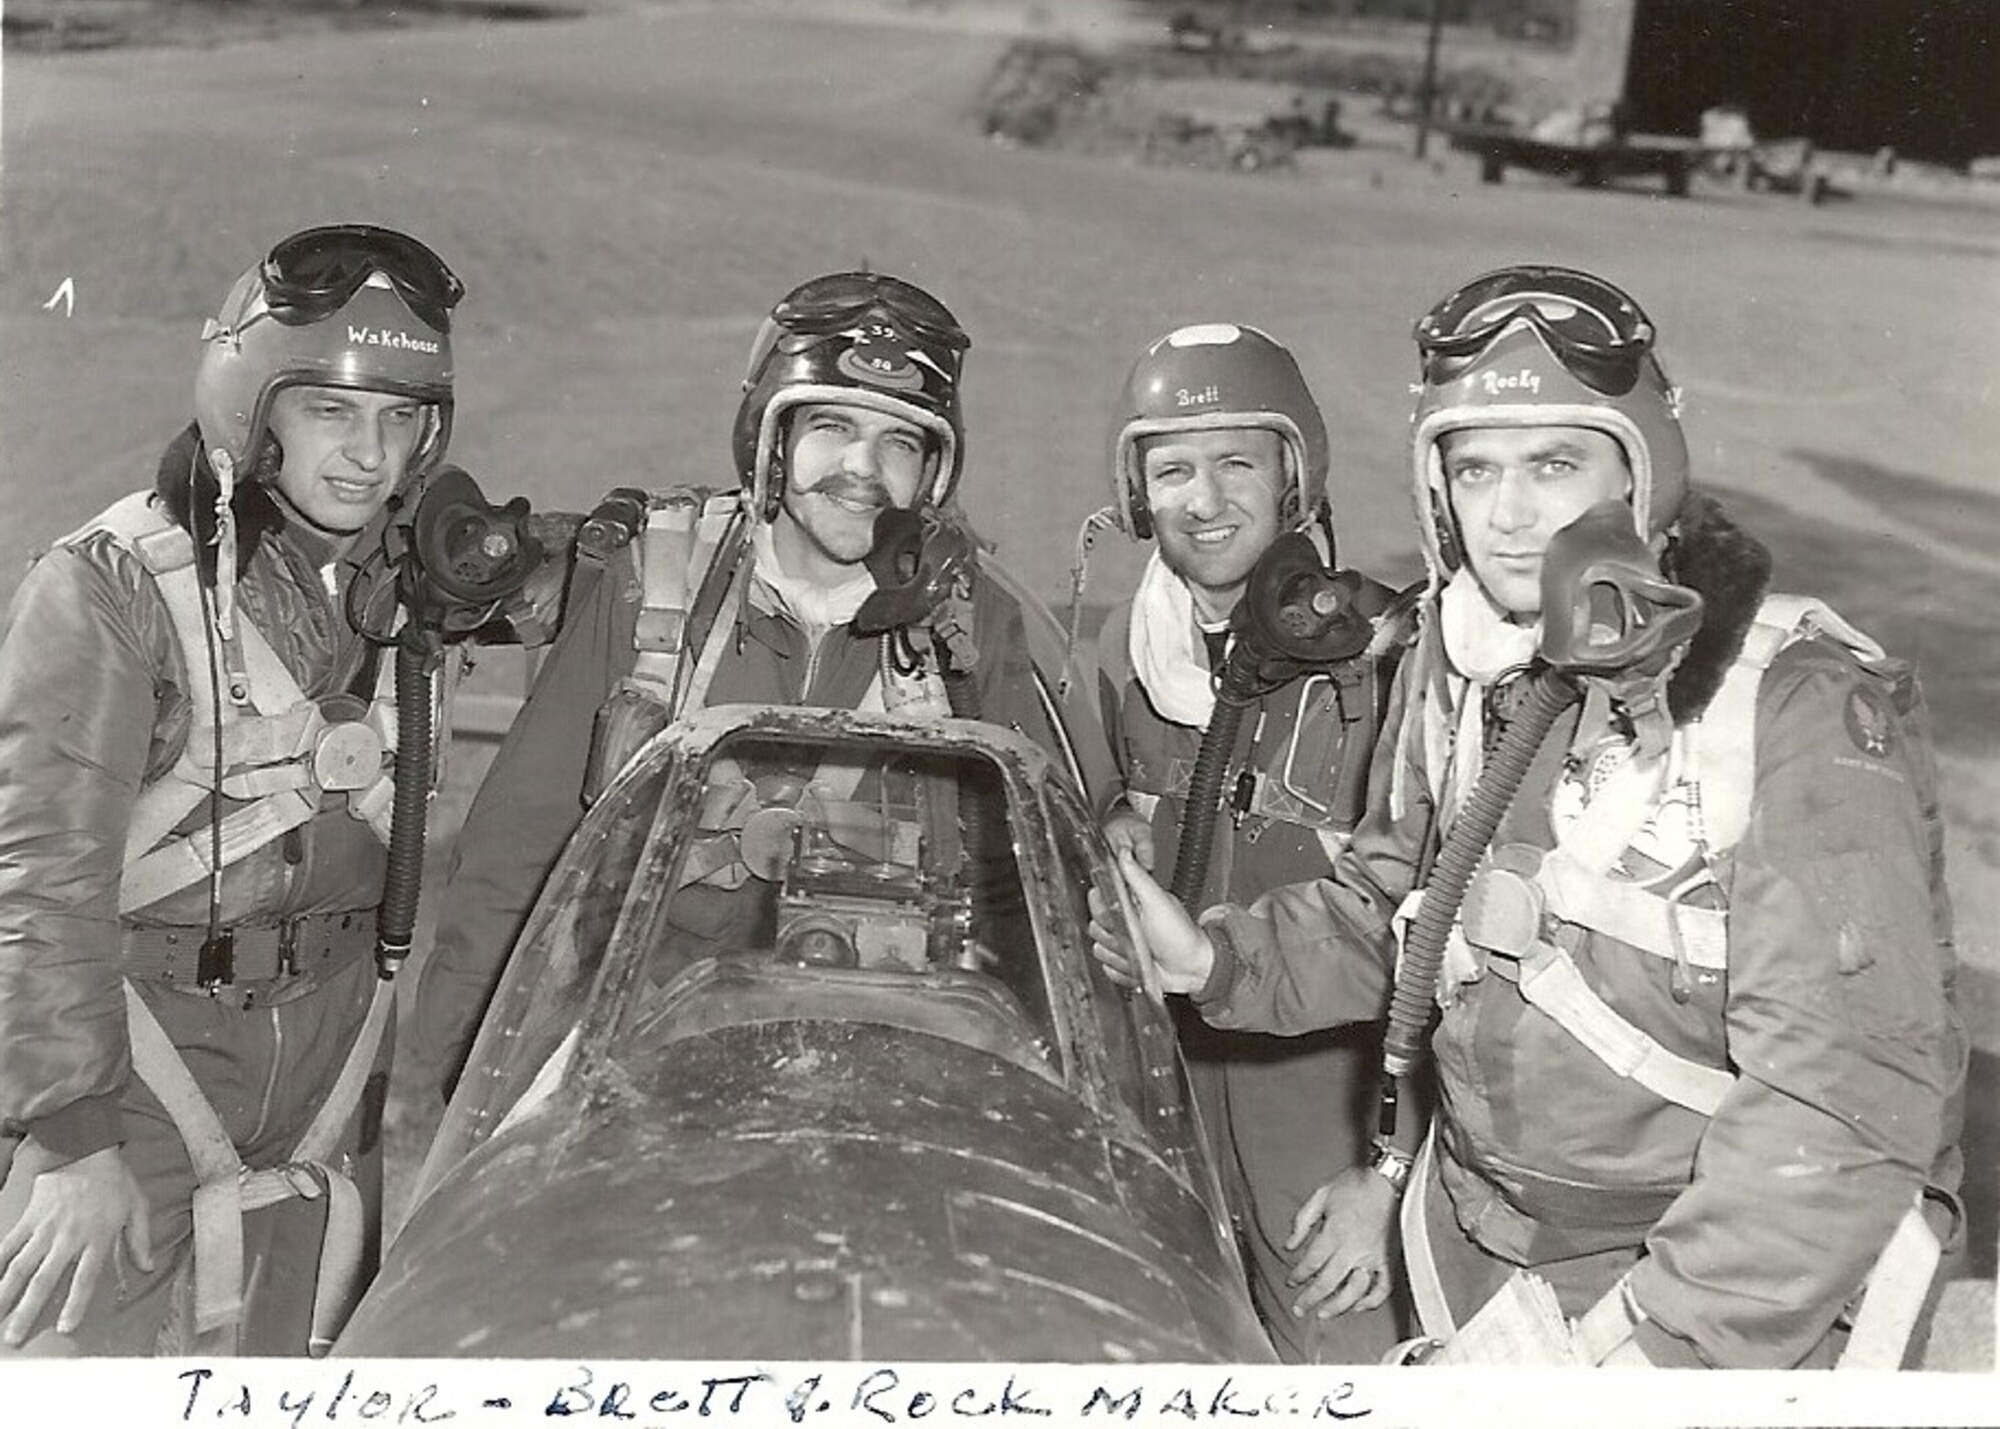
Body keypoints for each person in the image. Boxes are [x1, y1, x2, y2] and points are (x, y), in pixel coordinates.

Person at [1100, 265, 1965, 1368]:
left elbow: (1836, 1115)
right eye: (1474, 470)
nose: (1507, 517)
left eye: (1553, 464)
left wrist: (1642, 1356)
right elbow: (1400, 910)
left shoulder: (1787, 706)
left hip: (1718, 1294)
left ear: (1641, 476)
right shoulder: (1455, 672)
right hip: (1486, 1252)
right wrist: (1217, 959)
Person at [0, 225, 553, 1356]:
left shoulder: (409, 589)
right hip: (138, 1064)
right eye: (334, 411)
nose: (372, 455)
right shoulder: (113, 589)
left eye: (403, 418)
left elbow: (605, 581)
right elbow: (37, 877)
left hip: (335, 1073)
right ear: (254, 412)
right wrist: (69, 1136)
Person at [413, 270, 1071, 1096]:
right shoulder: (659, 585)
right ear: (772, 436)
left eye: (899, 442)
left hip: (883, 1083)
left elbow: (1036, 903)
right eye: (831, 426)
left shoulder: (968, 633)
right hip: (640, 1077)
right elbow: (517, 856)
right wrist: (472, 1098)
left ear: (933, 471)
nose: (861, 469)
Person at [1089, 323, 1415, 1363]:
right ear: (1139, 494)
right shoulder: (1116, 654)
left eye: (1237, 462)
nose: (1204, 497)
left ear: (1294, 478)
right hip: (1171, 1119)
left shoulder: (1386, 664)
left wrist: (1389, 1175)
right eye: (1172, 468)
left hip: (1323, 1142)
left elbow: (1429, 934)